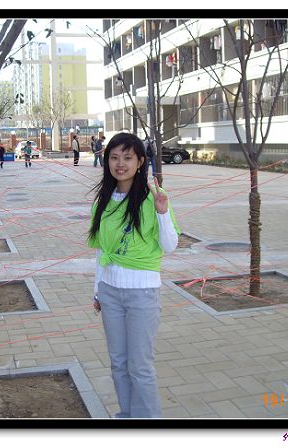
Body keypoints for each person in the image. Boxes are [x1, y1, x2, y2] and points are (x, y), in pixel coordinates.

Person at [87, 132, 180, 418]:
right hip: (110, 292)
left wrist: (163, 213)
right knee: (118, 362)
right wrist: (97, 290)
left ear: (140, 162)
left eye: (127, 158)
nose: (120, 164)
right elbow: (102, 251)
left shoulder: (154, 199)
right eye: (114, 157)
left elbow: (169, 246)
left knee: (140, 366)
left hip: (142, 294)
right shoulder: (102, 201)